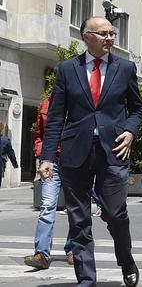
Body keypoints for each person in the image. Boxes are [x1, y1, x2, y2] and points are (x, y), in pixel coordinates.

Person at [38, 16, 142, 287]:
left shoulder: (125, 68)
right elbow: (57, 115)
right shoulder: (66, 69)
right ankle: (86, 279)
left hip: (113, 151)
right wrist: (47, 156)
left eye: (112, 33)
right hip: (75, 152)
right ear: (86, 36)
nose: (110, 38)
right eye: (103, 33)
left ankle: (126, 260)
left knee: (116, 213)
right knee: (79, 218)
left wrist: (131, 131)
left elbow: (138, 109)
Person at [24, 97, 74, 269]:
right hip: (51, 162)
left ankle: (74, 249)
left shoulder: (78, 99)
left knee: (75, 207)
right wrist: (41, 154)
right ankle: (42, 254)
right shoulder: (46, 104)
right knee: (47, 206)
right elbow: (39, 134)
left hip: (75, 161)